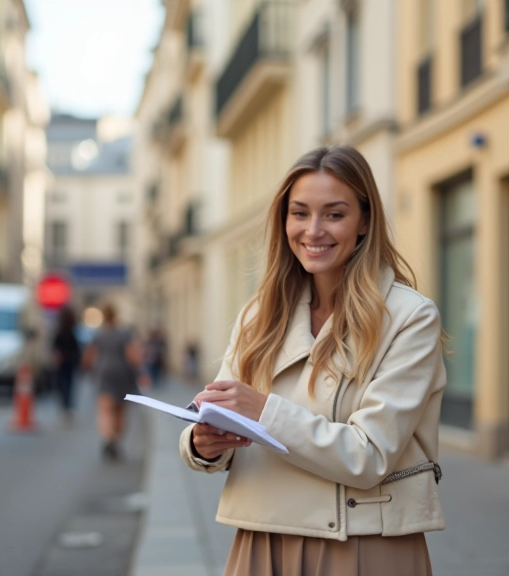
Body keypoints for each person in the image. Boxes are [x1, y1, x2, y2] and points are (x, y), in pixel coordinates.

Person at [179, 146, 447, 575]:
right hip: (259, 541)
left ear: (364, 222)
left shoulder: (409, 317)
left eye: (334, 214)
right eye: (299, 213)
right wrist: (202, 444)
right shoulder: (258, 315)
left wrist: (263, 410)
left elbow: (369, 456)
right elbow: (220, 409)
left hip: (360, 542)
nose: (313, 230)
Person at [84, 304, 141, 460]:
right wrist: (139, 372)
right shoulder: (124, 334)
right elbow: (132, 357)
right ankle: (116, 440)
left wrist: (91, 370)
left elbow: (89, 356)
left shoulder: (98, 335)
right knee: (120, 411)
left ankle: (108, 437)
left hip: (104, 373)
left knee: (104, 410)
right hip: (122, 373)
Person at [51, 306, 81, 428]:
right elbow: (76, 348)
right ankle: (68, 406)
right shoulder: (72, 331)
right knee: (69, 384)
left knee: (62, 384)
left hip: (63, 362)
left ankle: (65, 406)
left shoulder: (60, 331)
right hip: (70, 362)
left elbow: (55, 347)